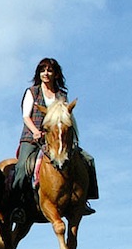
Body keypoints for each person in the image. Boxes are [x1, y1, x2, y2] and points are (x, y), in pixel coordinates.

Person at [11, 57, 98, 216]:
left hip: (57, 137)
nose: (46, 73)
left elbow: (65, 117)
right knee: (23, 166)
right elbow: (26, 116)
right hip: (33, 137)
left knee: (88, 160)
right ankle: (17, 204)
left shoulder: (61, 95)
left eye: (49, 70)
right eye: (43, 70)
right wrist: (36, 131)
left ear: (56, 74)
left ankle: (84, 199)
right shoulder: (32, 92)